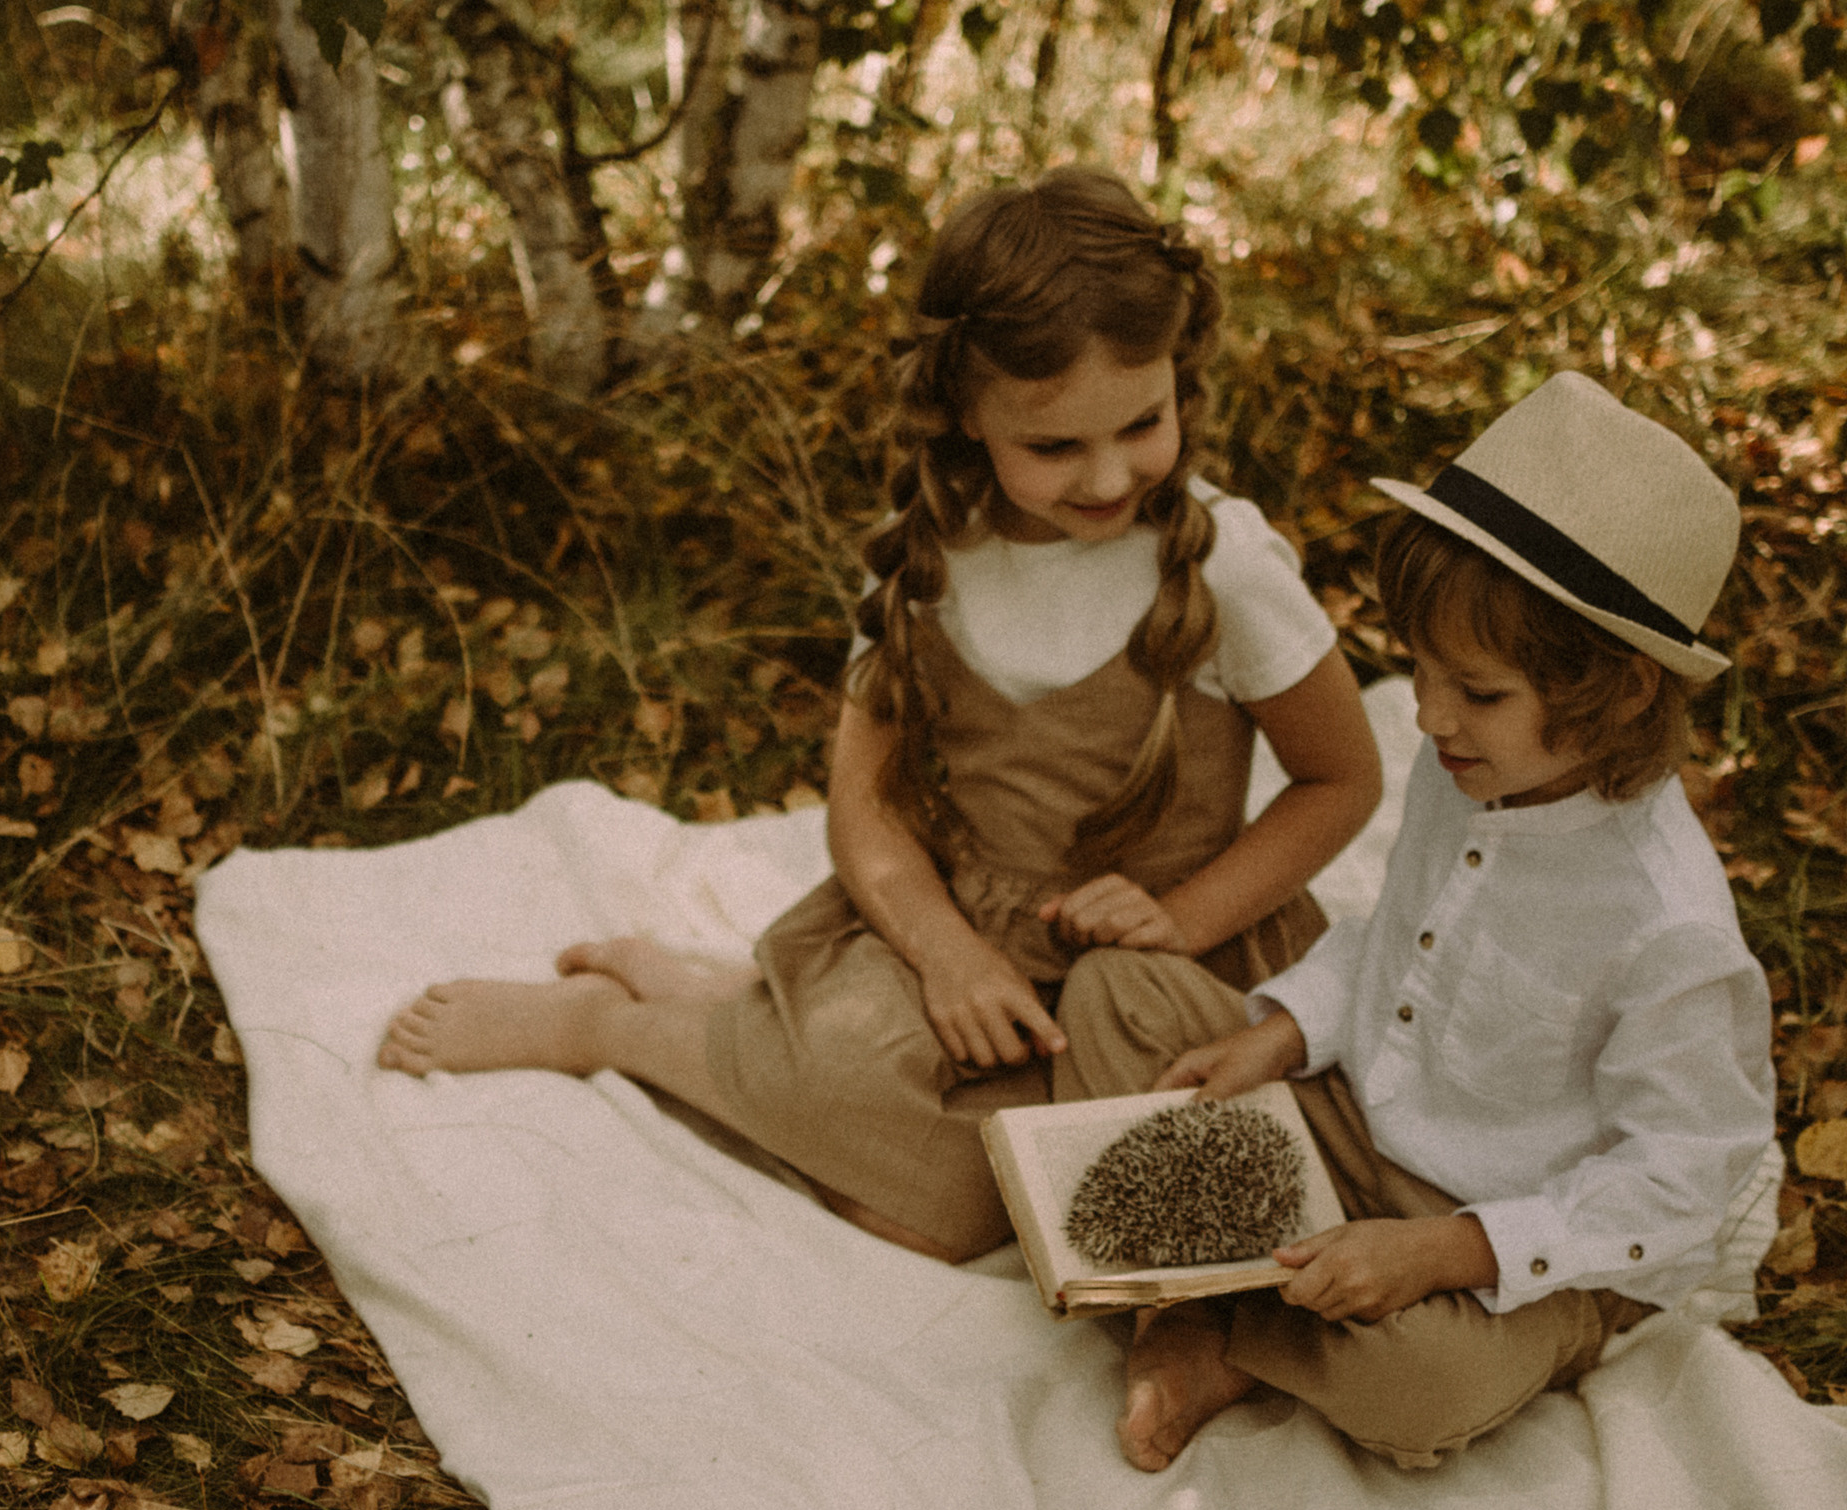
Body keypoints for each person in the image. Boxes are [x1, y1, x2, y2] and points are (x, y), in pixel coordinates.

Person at [377, 166, 1382, 1265]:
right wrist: (948, 957)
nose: (1108, 476)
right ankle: (613, 1026)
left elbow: (1344, 781)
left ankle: (747, 1006)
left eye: (1143, 424)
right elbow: (864, 809)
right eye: (1055, 447)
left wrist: (1184, 920)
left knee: (1000, 1201)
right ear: (966, 414)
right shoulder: (934, 554)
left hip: (1157, 968)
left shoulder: (1224, 565)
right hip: (966, 932)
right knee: (931, 1191)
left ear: (1179, 379)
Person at [1076, 370, 1775, 1473]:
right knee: (1112, 995)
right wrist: (1288, 1030)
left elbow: (1684, 1172)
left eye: (1479, 692)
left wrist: (1449, 1250)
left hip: (1523, 1235)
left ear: (1623, 692)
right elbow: (1398, 937)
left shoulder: (1666, 922)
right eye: (1421, 672)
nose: (1429, 716)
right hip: (1365, 1124)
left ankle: (1222, 1325)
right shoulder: (1472, 770)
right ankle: (1231, 1297)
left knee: (1424, 1385)